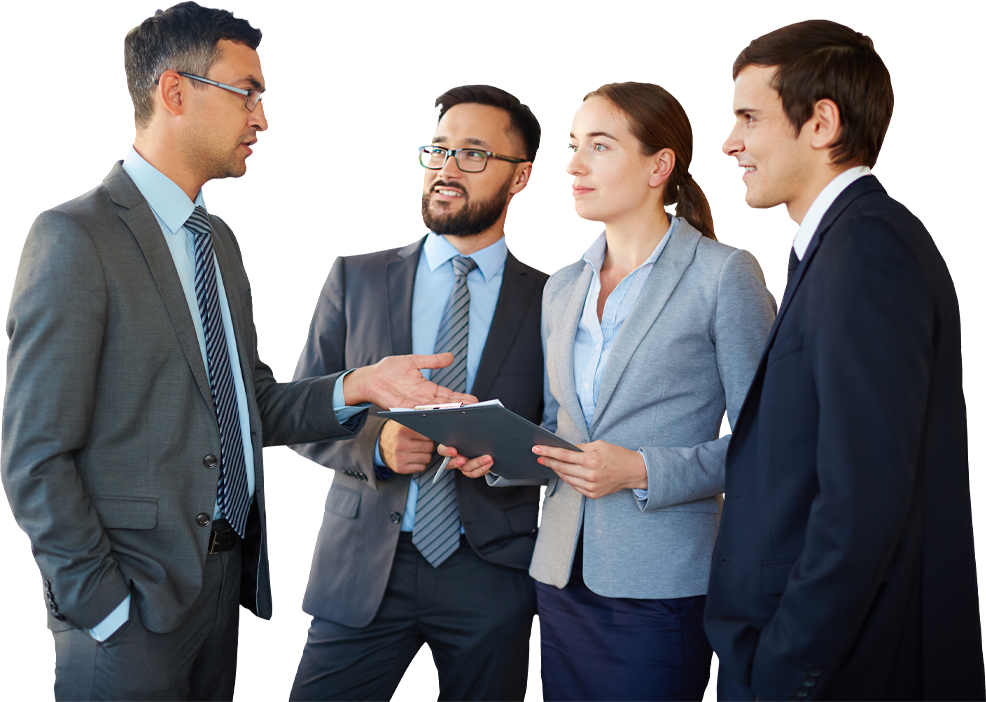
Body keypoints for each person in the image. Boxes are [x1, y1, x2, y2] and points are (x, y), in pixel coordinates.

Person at [3, 3, 473, 699]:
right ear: (175, 92)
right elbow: (35, 454)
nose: (262, 115)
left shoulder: (213, 239)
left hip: (231, 595)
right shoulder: (80, 240)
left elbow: (252, 401)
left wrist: (360, 385)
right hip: (135, 613)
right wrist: (104, 609)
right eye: (247, 91)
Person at [439, 83, 775, 700]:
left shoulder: (723, 277)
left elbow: (762, 445)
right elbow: (556, 432)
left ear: (659, 165)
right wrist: (493, 451)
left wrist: (642, 469)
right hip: (560, 579)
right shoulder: (562, 288)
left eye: (599, 145)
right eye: (573, 146)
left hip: (660, 585)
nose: (576, 164)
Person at [701, 23, 982, 702]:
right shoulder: (843, 246)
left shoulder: (868, 254)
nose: (731, 142)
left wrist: (788, 667)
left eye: (749, 117)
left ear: (821, 122)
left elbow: (864, 499)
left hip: (821, 666)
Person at [292, 87, 546, 701]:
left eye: (474, 154)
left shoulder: (552, 296)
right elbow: (295, 424)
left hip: (493, 572)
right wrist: (375, 446)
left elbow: (565, 433)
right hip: (362, 567)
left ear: (521, 179)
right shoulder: (356, 282)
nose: (446, 167)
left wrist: (507, 458)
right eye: (437, 149)